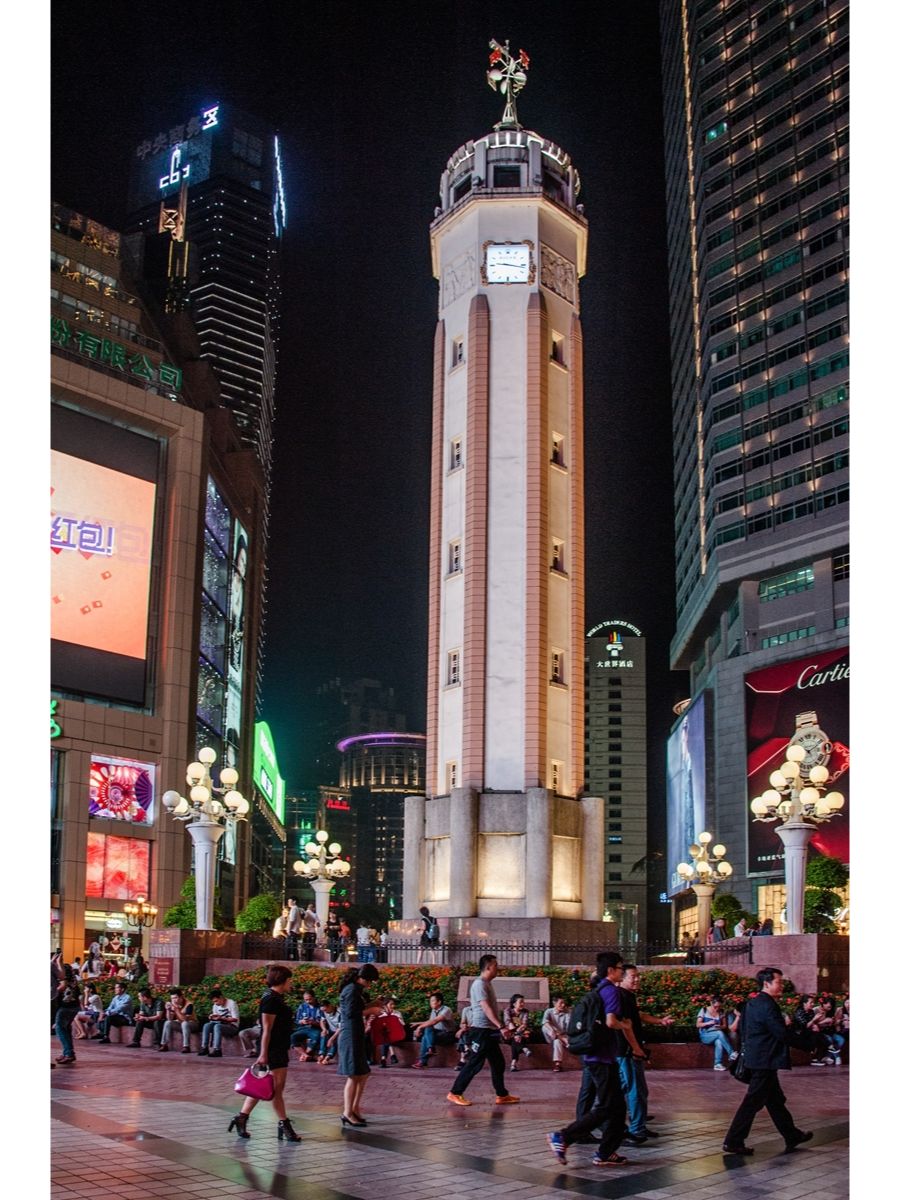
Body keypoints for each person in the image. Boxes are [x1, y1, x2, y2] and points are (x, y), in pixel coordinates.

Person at [546, 952, 641, 1169]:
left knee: (616, 1108)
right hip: (601, 1057)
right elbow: (610, 1022)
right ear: (610, 971)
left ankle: (606, 1152)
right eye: (619, 968)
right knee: (608, 1106)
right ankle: (563, 1137)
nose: (622, 971)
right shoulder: (612, 991)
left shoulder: (598, 989)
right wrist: (625, 1026)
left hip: (596, 1055)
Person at [722, 967, 813, 1155]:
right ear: (766, 983)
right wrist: (807, 1044)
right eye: (779, 982)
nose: (782, 985)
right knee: (752, 1102)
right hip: (765, 1060)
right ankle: (733, 1140)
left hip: (757, 1058)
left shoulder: (752, 1003)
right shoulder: (768, 1005)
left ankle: (791, 1135)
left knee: (774, 1101)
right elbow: (780, 1033)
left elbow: (744, 1031)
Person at [228, 963, 301, 1143]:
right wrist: (263, 1054)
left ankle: (242, 1117)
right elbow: (266, 1029)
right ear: (282, 980)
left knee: (264, 1087)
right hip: (272, 1049)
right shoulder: (270, 999)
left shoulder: (276, 997)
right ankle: (284, 1124)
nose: (291, 983)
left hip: (278, 1046)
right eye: (289, 980)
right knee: (276, 1089)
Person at [446, 954, 519, 1107]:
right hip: (481, 1030)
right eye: (495, 966)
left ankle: (502, 1095)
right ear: (488, 967)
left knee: (498, 1063)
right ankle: (455, 1092)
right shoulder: (479, 984)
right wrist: (501, 1027)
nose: (498, 968)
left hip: (488, 1030)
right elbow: (485, 1008)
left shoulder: (487, 983)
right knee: (475, 1063)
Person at [618, 965, 675, 1146]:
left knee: (639, 1090)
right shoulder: (620, 996)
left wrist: (659, 1021)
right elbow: (626, 1025)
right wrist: (636, 1048)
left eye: (638, 976)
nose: (637, 979)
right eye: (633, 977)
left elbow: (637, 1016)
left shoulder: (628, 997)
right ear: (622, 977)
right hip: (626, 1052)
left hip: (631, 1051)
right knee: (634, 1090)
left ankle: (638, 1125)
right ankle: (635, 1129)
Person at [337, 963, 383, 1126]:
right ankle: (347, 1112)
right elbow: (350, 1013)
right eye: (369, 981)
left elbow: (357, 1008)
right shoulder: (352, 990)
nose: (370, 984)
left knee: (362, 1073)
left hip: (355, 1034)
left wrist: (372, 1005)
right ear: (362, 978)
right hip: (350, 1035)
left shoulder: (355, 989)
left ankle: (354, 1108)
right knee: (354, 1074)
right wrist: (371, 1011)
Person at [411, 991, 457, 1068]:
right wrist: (418, 1023)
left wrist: (419, 1027)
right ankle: (430, 1049)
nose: (430, 1003)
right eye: (430, 1001)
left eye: (432, 1001)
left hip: (448, 1035)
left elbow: (434, 1021)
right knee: (426, 1034)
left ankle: (424, 1060)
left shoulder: (446, 1010)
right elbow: (430, 1022)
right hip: (439, 1034)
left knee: (425, 1035)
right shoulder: (434, 1011)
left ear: (439, 1002)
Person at [198, 987, 240, 1056]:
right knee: (207, 1025)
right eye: (214, 1002)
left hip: (232, 1026)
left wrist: (221, 1018)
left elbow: (235, 1019)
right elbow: (216, 1017)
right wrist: (212, 1017)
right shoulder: (215, 1005)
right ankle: (204, 1048)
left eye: (216, 1001)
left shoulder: (231, 1003)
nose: (215, 1003)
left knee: (217, 1026)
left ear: (221, 997)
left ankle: (217, 1050)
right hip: (220, 1023)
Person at [696, 996, 734, 1070]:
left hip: (716, 1032)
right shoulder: (704, 1010)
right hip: (705, 1035)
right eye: (715, 1006)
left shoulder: (721, 1011)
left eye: (719, 1006)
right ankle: (731, 1053)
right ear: (711, 1003)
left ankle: (717, 1064)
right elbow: (698, 1025)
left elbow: (724, 1026)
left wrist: (719, 1026)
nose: (717, 1008)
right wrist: (708, 1023)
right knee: (719, 1033)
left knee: (719, 1041)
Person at [159, 988, 198, 1052]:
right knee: (167, 1022)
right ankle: (164, 1045)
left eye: (175, 998)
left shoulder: (189, 1004)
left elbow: (185, 1019)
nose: (173, 1000)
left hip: (192, 1024)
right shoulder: (173, 1004)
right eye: (172, 998)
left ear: (181, 997)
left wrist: (176, 1010)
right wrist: (168, 1010)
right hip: (180, 1024)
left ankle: (186, 1046)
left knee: (184, 1024)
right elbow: (169, 1019)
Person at [373, 996, 406, 1067]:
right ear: (385, 1006)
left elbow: (403, 1024)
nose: (393, 1006)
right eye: (391, 1004)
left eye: (393, 1004)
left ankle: (388, 1057)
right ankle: (390, 1056)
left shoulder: (397, 1013)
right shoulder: (381, 1015)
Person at [503, 994, 533, 1072]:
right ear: (514, 1004)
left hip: (521, 1033)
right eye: (521, 1002)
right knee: (516, 1039)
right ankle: (524, 1048)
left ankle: (513, 1064)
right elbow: (509, 1023)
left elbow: (524, 1024)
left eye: (523, 1002)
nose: (523, 1004)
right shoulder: (507, 1011)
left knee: (515, 1042)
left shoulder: (525, 1011)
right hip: (509, 1033)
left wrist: (518, 1034)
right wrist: (516, 1034)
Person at [290, 990, 323, 1061]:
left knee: (317, 1036)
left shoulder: (320, 1007)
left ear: (314, 997)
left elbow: (323, 1022)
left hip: (315, 1028)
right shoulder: (302, 1006)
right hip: (303, 1028)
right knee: (293, 1037)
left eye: (309, 999)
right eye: (306, 1000)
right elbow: (297, 1020)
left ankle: (305, 1055)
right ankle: (305, 1055)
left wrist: (313, 1022)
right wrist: (302, 1021)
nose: (308, 1001)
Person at [55, 975, 81, 1065]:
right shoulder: (73, 979)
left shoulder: (62, 979)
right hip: (74, 1006)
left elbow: (59, 990)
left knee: (60, 1028)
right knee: (66, 1029)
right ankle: (68, 1053)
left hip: (65, 1007)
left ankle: (68, 1053)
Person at [541, 996, 570, 1072]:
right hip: (550, 1036)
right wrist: (553, 1030)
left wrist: (558, 1034)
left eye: (564, 1003)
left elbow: (568, 1028)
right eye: (561, 1003)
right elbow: (545, 1022)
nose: (563, 1005)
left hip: (562, 1035)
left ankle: (557, 1064)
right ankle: (561, 1038)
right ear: (554, 1004)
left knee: (557, 1041)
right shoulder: (549, 1011)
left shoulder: (567, 1012)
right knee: (545, 1026)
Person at [455, 1003, 476, 1068]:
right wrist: (463, 1027)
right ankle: (466, 1050)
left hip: (477, 1031)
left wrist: (462, 1030)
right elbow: (462, 1023)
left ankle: (463, 1059)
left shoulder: (482, 1010)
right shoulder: (466, 1009)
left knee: (463, 1033)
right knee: (464, 1033)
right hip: (467, 1030)